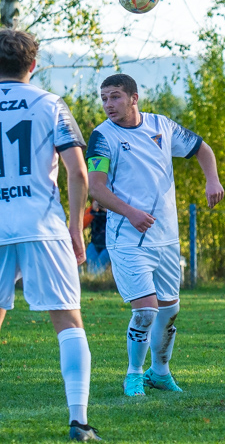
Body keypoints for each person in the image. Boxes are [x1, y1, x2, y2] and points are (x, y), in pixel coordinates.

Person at [87, 74, 224, 397]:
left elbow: (202, 149)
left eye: (115, 97)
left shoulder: (161, 126)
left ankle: (160, 372)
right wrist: (130, 212)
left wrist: (212, 180)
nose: (108, 104)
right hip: (127, 238)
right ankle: (134, 374)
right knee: (146, 309)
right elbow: (96, 187)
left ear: (134, 98)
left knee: (168, 311)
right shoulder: (102, 136)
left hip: (166, 238)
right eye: (104, 98)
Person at [0, 28, 100, 441]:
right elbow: (78, 172)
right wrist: (76, 229)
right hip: (42, 226)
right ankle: (79, 421)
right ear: (34, 65)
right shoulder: (50, 104)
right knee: (68, 321)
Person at [83, 201, 109, 274]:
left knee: (98, 269)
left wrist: (108, 211)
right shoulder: (92, 209)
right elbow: (82, 225)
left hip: (108, 247)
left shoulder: (115, 211)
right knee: (90, 269)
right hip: (94, 244)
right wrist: (93, 211)